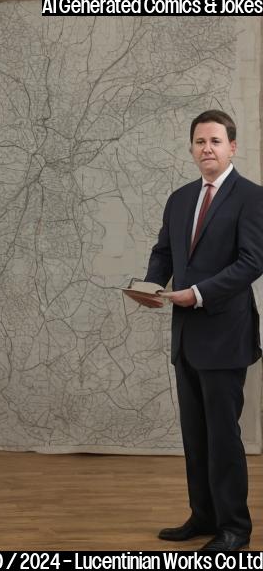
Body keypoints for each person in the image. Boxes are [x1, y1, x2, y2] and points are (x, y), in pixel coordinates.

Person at [133, 110, 263, 551]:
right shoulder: (180, 198)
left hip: (226, 335)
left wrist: (199, 293)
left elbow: (252, 262)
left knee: (223, 435)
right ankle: (203, 516)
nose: (206, 148)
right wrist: (152, 286)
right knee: (195, 434)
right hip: (185, 337)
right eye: (199, 141)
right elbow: (163, 251)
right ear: (191, 148)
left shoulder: (252, 197)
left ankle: (235, 529)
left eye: (215, 141)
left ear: (232, 147)